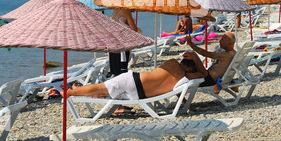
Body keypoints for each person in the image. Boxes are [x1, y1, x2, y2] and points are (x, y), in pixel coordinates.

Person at [61, 52, 207, 100]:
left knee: (102, 88)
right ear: (191, 69)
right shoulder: (184, 79)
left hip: (134, 79)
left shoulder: (173, 63)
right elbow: (204, 74)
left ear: (184, 63)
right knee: (104, 92)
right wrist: (196, 59)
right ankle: (78, 91)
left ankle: (69, 92)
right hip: (139, 95)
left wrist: (193, 55)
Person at [108, 9, 142, 77]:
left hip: (112, 43)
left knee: (115, 70)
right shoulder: (126, 10)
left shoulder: (116, 10)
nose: (135, 10)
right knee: (122, 72)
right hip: (121, 45)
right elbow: (134, 29)